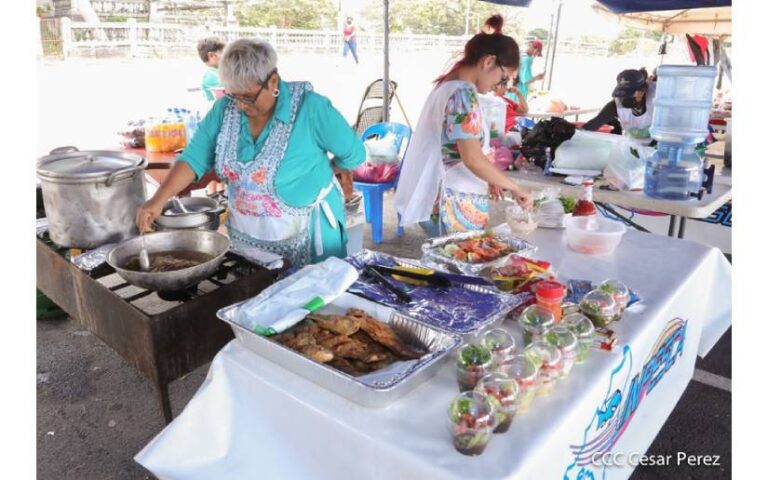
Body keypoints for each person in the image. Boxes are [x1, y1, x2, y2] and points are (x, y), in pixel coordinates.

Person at [136, 39, 366, 267]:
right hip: (248, 236)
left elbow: (355, 155)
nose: (240, 106)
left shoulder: (311, 109)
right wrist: (158, 200)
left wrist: (327, 169)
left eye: (247, 97)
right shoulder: (224, 109)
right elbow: (193, 158)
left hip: (311, 235)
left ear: (272, 80)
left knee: (311, 299)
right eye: (233, 96)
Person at [394, 15, 533, 235]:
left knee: (451, 261)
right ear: (488, 62)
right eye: (503, 78)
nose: (502, 86)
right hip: (453, 200)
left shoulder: (449, 85)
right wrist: (515, 187)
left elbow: (463, 151)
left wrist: (491, 177)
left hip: (443, 197)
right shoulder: (463, 94)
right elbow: (472, 159)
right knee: (460, 262)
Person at [581, 68, 655, 144]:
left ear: (642, 91)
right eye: (622, 94)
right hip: (632, 146)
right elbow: (592, 125)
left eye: (629, 94)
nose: (624, 99)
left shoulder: (656, 102)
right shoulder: (615, 106)